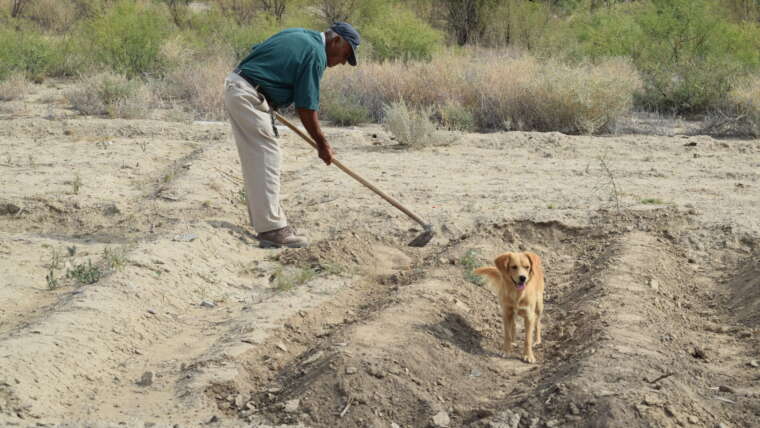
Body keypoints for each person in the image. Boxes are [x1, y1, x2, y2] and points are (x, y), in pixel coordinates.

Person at [223, 22, 360, 248]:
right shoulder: (316, 54)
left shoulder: (299, 35)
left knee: (260, 157)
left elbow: (261, 53)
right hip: (247, 94)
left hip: (243, 88)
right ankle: (272, 230)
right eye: (346, 55)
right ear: (337, 41)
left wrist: (268, 94)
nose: (344, 62)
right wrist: (322, 144)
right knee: (267, 156)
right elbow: (306, 108)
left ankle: (267, 223)